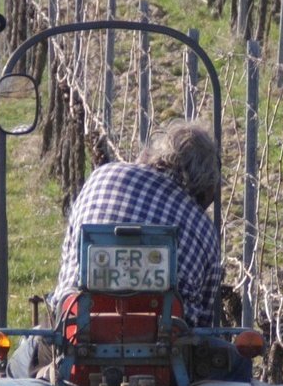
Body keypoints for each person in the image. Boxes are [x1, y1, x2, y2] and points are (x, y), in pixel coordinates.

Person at [49, 120, 224, 327]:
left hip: (76, 326)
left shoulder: (102, 177)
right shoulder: (204, 231)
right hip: (168, 341)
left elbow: (69, 256)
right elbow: (204, 321)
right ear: (204, 189)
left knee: (29, 345)